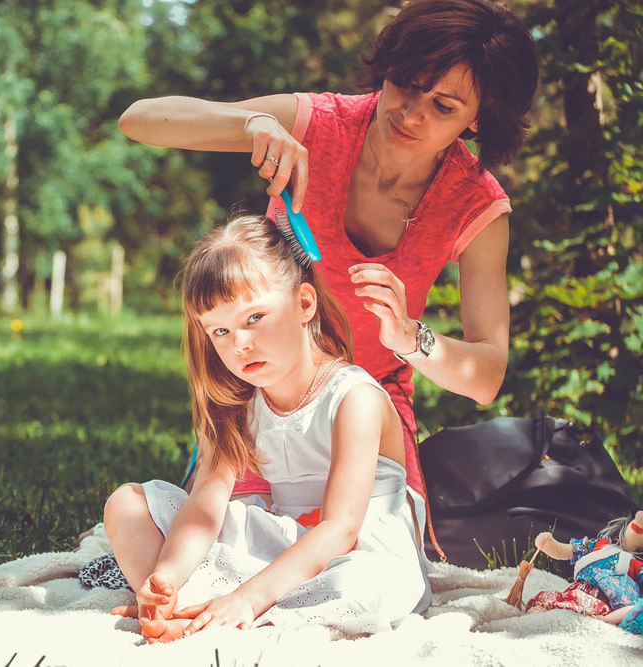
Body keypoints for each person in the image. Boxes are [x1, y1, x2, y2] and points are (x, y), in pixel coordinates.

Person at [118, 0, 540, 526]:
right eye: (406, 84)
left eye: (443, 106)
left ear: (479, 118)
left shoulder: (476, 203)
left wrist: (411, 338)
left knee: (354, 558)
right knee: (225, 544)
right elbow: (139, 120)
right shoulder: (318, 124)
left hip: (368, 415)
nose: (411, 114)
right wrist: (251, 124)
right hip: (261, 400)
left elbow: (486, 376)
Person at [102, 215, 429, 643]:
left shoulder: (355, 398)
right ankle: (175, 607)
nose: (240, 344)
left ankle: (236, 606)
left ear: (304, 304)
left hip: (357, 554)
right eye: (220, 330)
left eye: (254, 317)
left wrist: (249, 596)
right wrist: (166, 574)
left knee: (362, 589)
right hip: (286, 542)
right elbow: (204, 506)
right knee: (126, 505)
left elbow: (340, 530)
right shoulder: (238, 403)